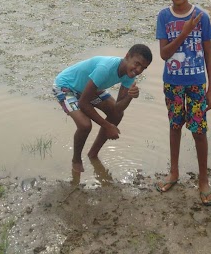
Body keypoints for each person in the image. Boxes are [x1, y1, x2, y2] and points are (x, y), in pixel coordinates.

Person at [155, 0, 211, 206]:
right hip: (173, 83)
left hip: (197, 84)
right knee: (175, 127)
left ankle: (203, 181)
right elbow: (164, 54)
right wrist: (184, 32)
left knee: (199, 131)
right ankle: (174, 173)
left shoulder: (202, 17)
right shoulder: (164, 17)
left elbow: (209, 55)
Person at [53, 44, 153, 173]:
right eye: (137, 64)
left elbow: (117, 108)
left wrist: (130, 96)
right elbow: (84, 103)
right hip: (66, 86)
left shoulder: (130, 74)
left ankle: (93, 154)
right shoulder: (105, 68)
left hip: (90, 89)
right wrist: (108, 126)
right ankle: (76, 160)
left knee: (117, 115)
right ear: (127, 56)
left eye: (143, 68)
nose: (138, 70)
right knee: (85, 125)